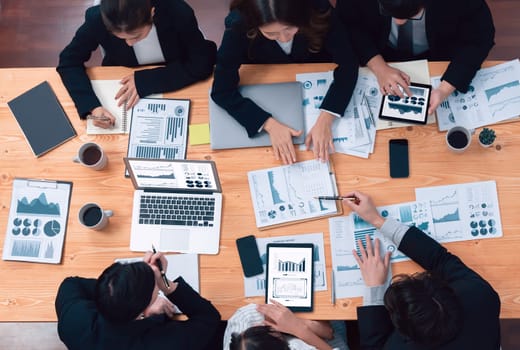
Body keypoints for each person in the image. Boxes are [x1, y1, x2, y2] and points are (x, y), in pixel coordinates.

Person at [341, 190, 501, 349]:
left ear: (404, 333)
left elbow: (373, 346)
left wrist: (374, 287)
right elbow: (441, 260)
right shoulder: (480, 295)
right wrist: (377, 220)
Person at [211, 0, 358, 164]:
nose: (283, 38)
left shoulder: (319, 8)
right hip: (267, 75)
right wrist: (267, 124)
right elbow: (221, 90)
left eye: (289, 28)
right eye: (271, 34)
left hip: (313, 66)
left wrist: (327, 117)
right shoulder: (239, 23)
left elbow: (349, 65)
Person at [57, 0, 216, 129]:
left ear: (152, 13)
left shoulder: (177, 12)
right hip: (120, 78)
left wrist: (147, 80)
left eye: (136, 35)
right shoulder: (96, 20)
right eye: (119, 37)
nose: (130, 43)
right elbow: (68, 62)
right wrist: (92, 106)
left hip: (174, 74)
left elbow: (203, 61)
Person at [336, 0, 495, 115]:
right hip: (379, 48)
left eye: (412, 15)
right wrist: (378, 66)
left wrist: (445, 89)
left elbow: (479, 39)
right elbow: (349, 25)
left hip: (439, 53)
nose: (399, 22)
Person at [55, 251, 221, 349]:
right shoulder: (162, 342)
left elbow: (70, 283)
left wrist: (118, 288)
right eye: (154, 287)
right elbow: (209, 318)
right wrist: (165, 283)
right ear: (139, 312)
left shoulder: (73, 321)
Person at [224, 301, 349, 349]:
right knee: (337, 315)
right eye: (258, 328)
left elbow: (252, 312)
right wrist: (299, 328)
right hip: (327, 344)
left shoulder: (241, 322)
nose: (256, 324)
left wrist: (300, 324)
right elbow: (328, 333)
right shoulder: (297, 346)